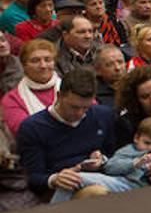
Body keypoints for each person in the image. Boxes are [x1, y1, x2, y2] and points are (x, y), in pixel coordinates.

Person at [17, 67, 118, 199]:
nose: (80, 113)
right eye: (74, 107)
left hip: (101, 177)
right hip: (61, 188)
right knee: (96, 193)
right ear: (59, 96)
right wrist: (54, 179)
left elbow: (115, 155)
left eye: (86, 108)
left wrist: (102, 159)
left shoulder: (104, 115)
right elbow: (33, 178)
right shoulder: (32, 127)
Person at [87, 116, 151, 195]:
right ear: (136, 138)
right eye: (147, 143)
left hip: (142, 188)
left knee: (81, 178)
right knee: (81, 179)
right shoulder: (129, 150)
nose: (150, 148)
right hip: (120, 181)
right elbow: (109, 167)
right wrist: (135, 163)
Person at [2, 38, 60, 138]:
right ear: (24, 65)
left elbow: (92, 118)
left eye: (48, 60)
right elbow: (27, 132)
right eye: (35, 61)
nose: (43, 65)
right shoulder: (12, 99)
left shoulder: (72, 88)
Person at [92, 43, 125, 108]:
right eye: (110, 64)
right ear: (98, 70)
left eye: (120, 62)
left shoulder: (134, 86)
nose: (117, 68)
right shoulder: (93, 94)